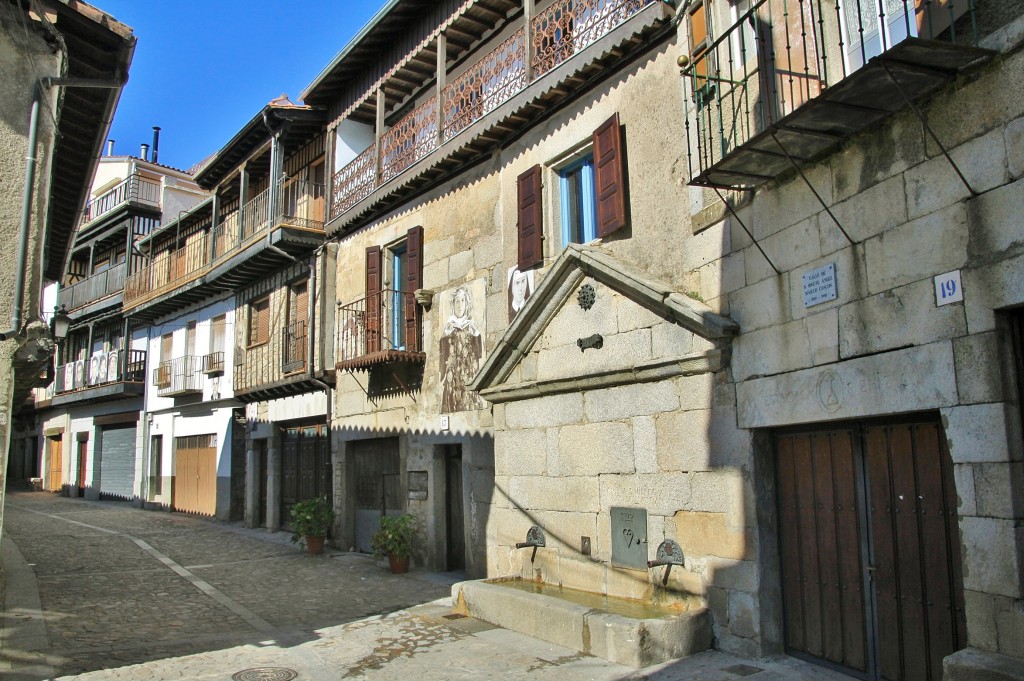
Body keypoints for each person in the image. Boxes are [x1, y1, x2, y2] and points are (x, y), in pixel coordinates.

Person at [439, 286, 484, 413]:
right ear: (453, 304)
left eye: (463, 301)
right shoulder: (449, 325)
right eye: (457, 301)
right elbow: (443, 353)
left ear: (467, 303)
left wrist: (476, 335)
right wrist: (446, 335)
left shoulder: (471, 325)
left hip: (468, 371)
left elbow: (478, 353)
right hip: (453, 374)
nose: (460, 305)